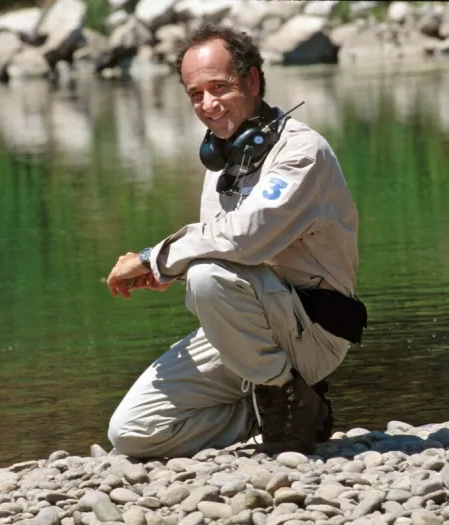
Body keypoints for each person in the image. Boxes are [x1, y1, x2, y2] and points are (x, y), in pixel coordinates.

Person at [104, 24, 364, 458]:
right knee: (131, 433)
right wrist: (172, 268)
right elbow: (220, 245)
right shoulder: (225, 157)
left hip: (313, 329)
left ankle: (286, 395)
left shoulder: (301, 153)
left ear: (253, 81)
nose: (207, 105)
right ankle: (284, 407)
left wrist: (157, 259)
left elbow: (245, 240)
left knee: (206, 276)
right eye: (195, 94)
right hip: (247, 327)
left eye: (219, 87)